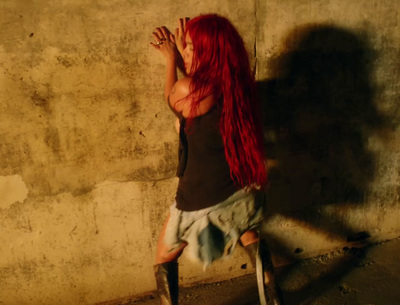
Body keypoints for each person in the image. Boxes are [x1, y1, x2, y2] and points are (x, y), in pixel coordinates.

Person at [150, 14, 283, 305]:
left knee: (164, 255)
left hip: (200, 193)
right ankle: (273, 296)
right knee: (246, 231)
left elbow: (173, 97)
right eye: (185, 46)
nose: (184, 50)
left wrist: (171, 59)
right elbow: (196, 99)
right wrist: (187, 61)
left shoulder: (191, 90)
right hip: (239, 185)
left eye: (189, 46)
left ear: (209, 52)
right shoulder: (237, 83)